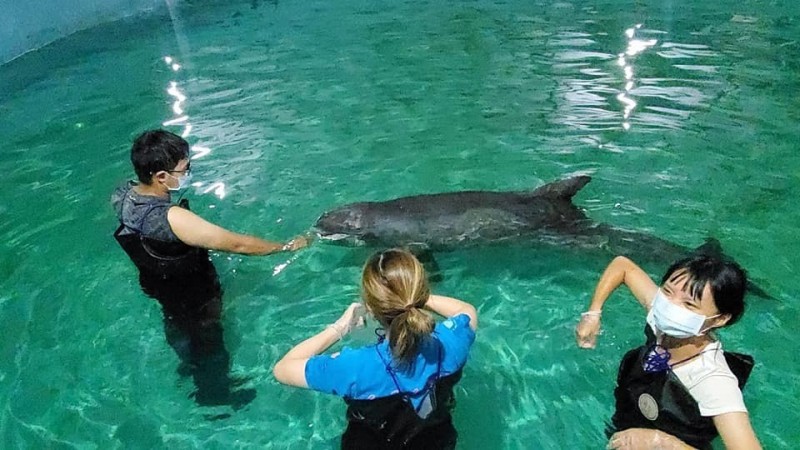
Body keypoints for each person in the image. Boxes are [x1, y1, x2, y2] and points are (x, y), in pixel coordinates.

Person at [111, 129, 308, 408]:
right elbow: (237, 244)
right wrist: (287, 246)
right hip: (195, 294)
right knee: (209, 339)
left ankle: (190, 365)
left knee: (178, 324)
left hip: (162, 287)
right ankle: (216, 395)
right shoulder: (172, 218)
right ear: (161, 177)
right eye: (184, 168)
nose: (189, 171)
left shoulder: (123, 196)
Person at [273, 248, 478, 449]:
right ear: (420, 293)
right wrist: (414, 297)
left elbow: (283, 368)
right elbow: (466, 310)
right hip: (437, 440)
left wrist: (339, 328)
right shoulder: (454, 341)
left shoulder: (353, 368)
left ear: (370, 307)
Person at [575, 255, 762, 450]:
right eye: (667, 291)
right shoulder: (661, 315)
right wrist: (592, 314)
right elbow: (623, 266)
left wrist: (663, 443)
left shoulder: (713, 381)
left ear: (719, 319)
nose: (670, 306)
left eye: (689, 304)